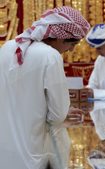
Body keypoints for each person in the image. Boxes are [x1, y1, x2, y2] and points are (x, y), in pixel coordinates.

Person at [0, 6, 90, 169]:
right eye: (72, 44)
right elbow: (57, 115)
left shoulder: (7, 48)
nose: (71, 50)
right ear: (59, 37)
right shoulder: (50, 56)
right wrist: (63, 113)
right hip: (35, 156)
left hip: (5, 154)